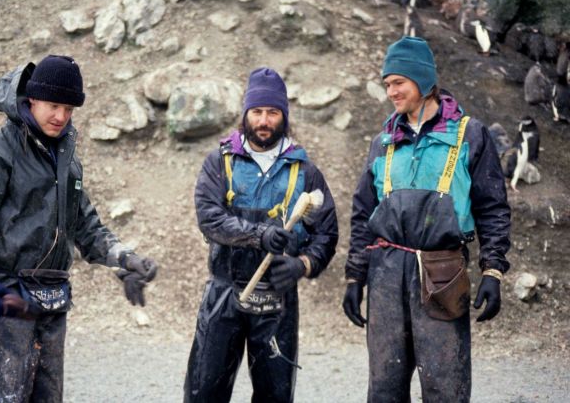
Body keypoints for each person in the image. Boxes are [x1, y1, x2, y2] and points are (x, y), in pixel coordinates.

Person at [0, 55, 157, 402]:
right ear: (32, 99)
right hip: (5, 297)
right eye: (54, 105)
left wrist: (126, 258)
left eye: (70, 109)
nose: (61, 116)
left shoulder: (67, 163)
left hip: (53, 298)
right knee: (1, 396)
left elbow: (86, 226)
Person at [342, 37, 511, 402]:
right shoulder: (383, 141)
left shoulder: (469, 134)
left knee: (445, 386)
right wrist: (356, 275)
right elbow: (362, 214)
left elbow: (492, 208)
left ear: (422, 79)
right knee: (385, 387)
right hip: (386, 272)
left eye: (398, 82)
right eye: (387, 84)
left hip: (442, 271)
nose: (391, 91)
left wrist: (493, 271)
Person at [184, 67, 338, 403]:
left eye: (272, 112)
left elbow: (327, 233)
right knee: (203, 392)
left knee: (274, 396)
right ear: (245, 115)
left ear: (284, 115)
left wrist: (304, 265)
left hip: (276, 302)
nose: (264, 121)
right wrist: (259, 236)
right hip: (224, 294)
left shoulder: (305, 171)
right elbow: (209, 218)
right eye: (257, 112)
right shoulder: (220, 162)